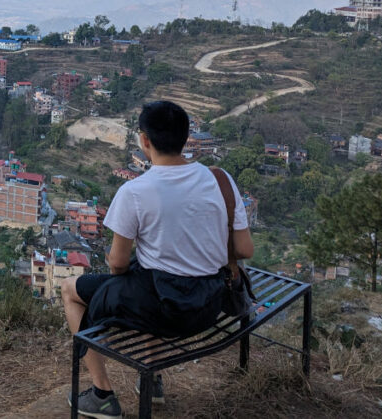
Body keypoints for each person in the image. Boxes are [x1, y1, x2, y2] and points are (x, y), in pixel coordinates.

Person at [61, 100, 254, 418]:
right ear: (186, 138)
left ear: (144, 141)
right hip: (209, 305)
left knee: (72, 289)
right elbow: (245, 250)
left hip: (166, 311)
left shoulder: (136, 191)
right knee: (148, 278)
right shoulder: (220, 180)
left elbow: (118, 264)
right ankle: (154, 382)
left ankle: (102, 393)